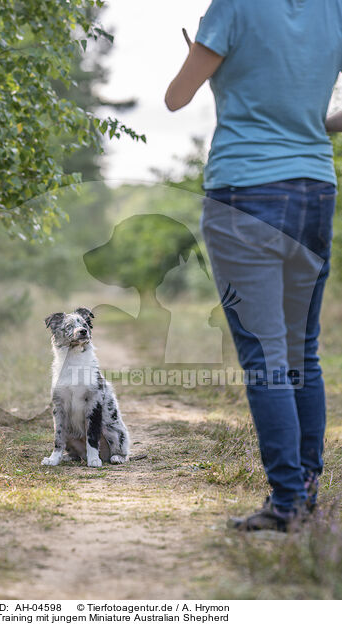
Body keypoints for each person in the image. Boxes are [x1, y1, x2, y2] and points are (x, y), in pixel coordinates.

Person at [165, 0, 342, 531]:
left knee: (267, 357)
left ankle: (287, 504)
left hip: (245, 192)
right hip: (315, 189)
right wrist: (309, 121)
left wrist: (209, 58)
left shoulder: (233, 7)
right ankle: (303, 498)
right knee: (299, 353)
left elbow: (176, 98)